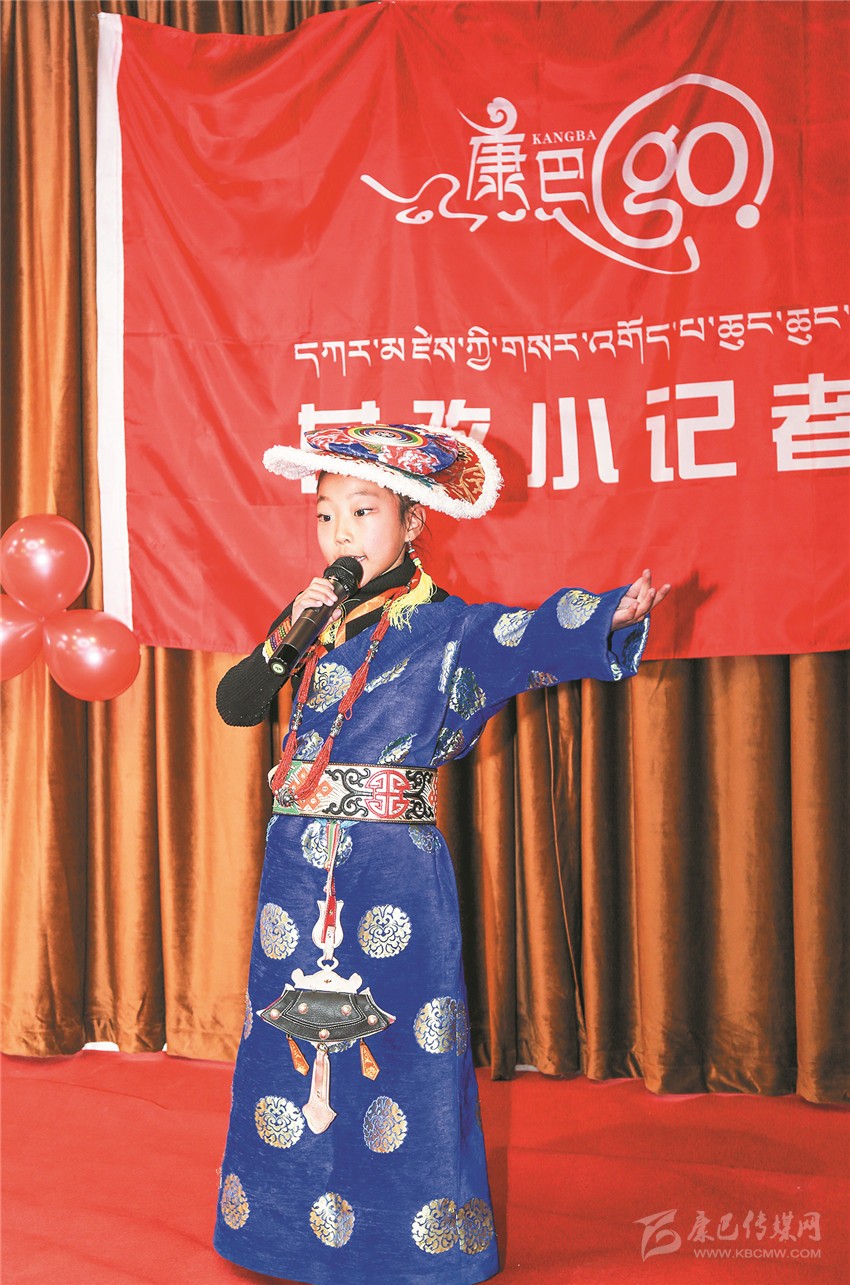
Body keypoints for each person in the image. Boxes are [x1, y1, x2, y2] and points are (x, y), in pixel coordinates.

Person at [212, 422, 670, 1284]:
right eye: (325, 515)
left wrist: (606, 614)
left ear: (413, 520)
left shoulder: (448, 628)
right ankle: (280, 1234)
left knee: (402, 1052)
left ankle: (411, 1243)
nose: (340, 534)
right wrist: (290, 631)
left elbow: (523, 636)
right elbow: (238, 703)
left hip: (391, 870)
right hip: (297, 866)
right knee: (288, 1046)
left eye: (363, 512)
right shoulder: (314, 621)